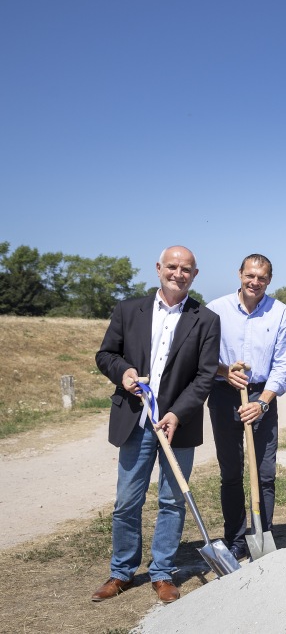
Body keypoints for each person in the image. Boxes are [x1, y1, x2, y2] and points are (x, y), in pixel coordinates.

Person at [92, 246, 220, 605]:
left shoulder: (206, 319)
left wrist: (177, 413)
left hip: (177, 424)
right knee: (126, 500)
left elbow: (205, 375)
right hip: (136, 419)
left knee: (171, 499)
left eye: (186, 269)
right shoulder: (129, 309)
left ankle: (163, 572)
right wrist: (124, 374)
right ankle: (121, 571)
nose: (178, 273)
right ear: (159, 268)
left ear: (195, 274)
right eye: (172, 266)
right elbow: (106, 355)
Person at [206, 254, 286, 559]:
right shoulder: (215, 310)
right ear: (240, 275)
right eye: (250, 276)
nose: (254, 282)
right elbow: (202, 358)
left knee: (264, 472)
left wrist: (262, 403)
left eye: (261, 278)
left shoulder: (281, 314)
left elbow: (282, 367)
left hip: (262, 397)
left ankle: (262, 533)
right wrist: (224, 371)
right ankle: (235, 538)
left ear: (269, 280)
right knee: (231, 473)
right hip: (224, 394)